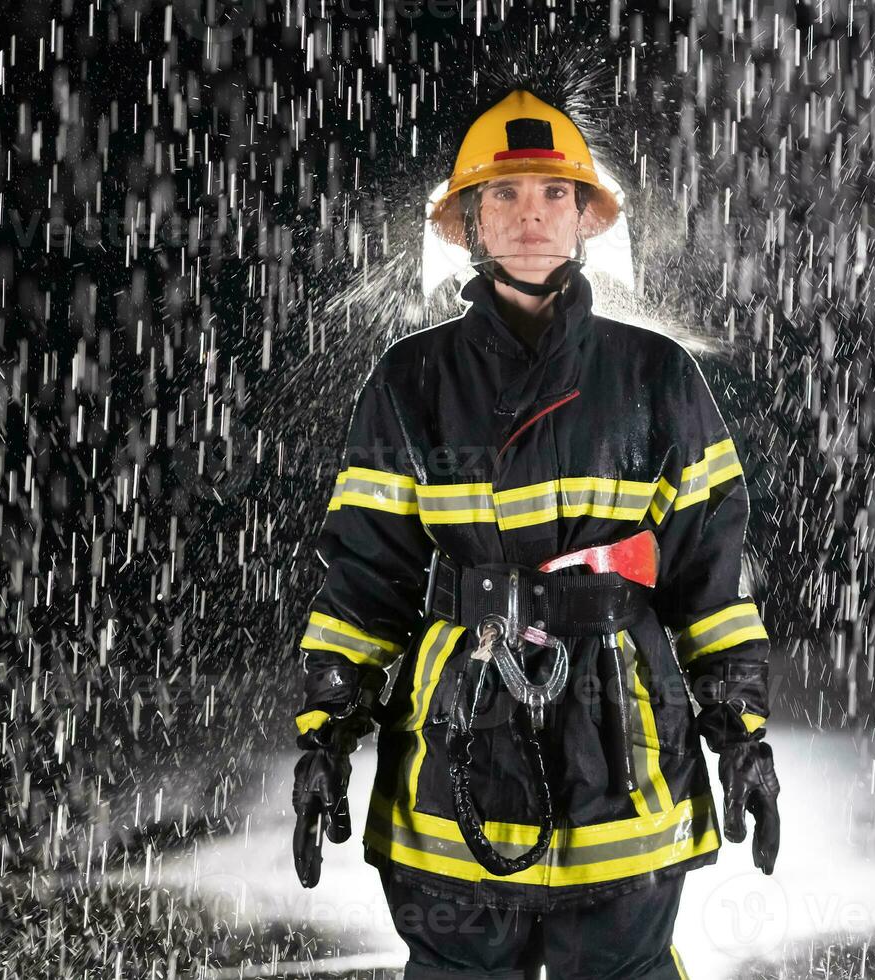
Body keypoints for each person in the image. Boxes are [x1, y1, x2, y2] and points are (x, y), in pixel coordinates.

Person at [290, 88, 780, 979]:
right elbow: (365, 579)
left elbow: (710, 579)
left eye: (554, 194)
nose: (530, 215)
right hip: (459, 746)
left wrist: (741, 731)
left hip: (620, 742)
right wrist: (327, 729)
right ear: (471, 221)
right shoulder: (411, 381)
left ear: (586, 217)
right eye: (505, 194)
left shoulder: (657, 376)